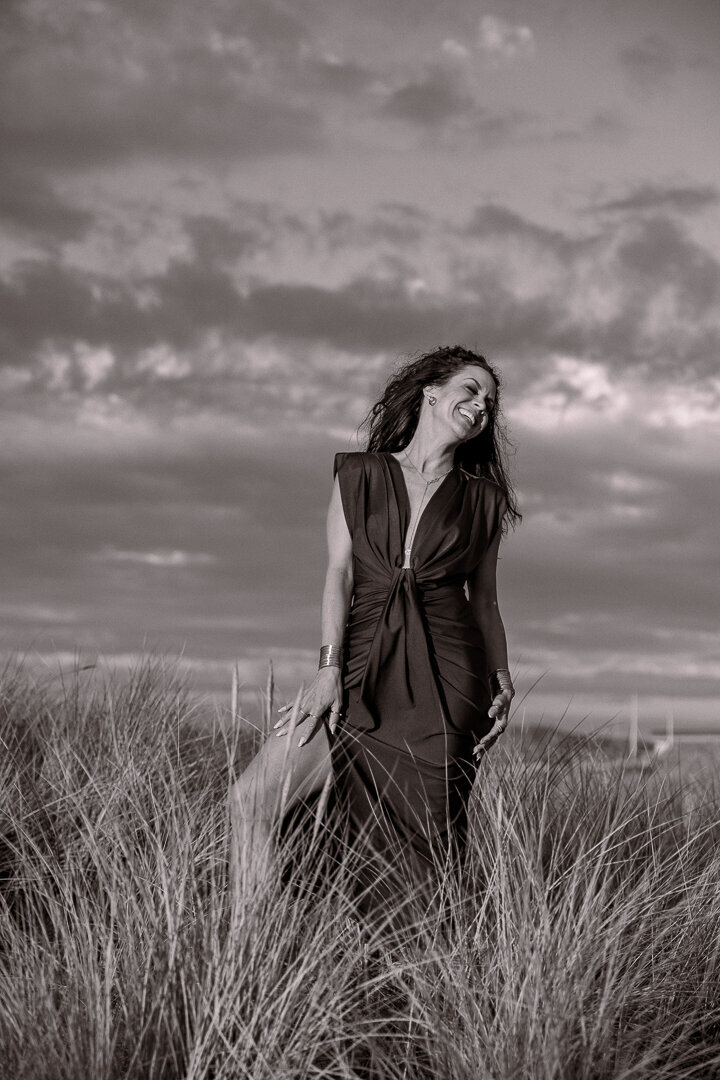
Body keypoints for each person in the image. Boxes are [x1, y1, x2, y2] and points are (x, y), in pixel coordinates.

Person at [230, 345, 519, 907]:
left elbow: (485, 602)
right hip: (357, 666)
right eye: (471, 389)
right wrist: (328, 668)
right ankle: (251, 946)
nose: (482, 405)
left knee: (423, 848)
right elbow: (339, 574)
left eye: (490, 402)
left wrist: (501, 679)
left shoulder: (484, 500)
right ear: (431, 392)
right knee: (252, 801)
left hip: (446, 680)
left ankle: (423, 959)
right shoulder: (359, 474)